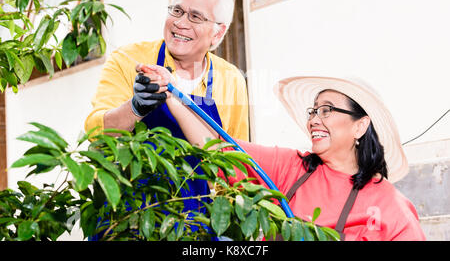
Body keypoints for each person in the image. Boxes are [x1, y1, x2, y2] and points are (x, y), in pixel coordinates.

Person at [147, 68, 426, 241]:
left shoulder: (391, 206)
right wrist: (173, 94)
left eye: (327, 110)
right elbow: (216, 147)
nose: (315, 119)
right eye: (313, 111)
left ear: (360, 125)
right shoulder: (291, 167)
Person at [84, 0, 249, 238]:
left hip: (194, 225)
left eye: (195, 16)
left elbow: (236, 165)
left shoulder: (230, 79)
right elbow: (96, 135)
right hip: (126, 219)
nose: (181, 23)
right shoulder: (128, 60)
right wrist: (135, 107)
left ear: (218, 32)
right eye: (177, 11)